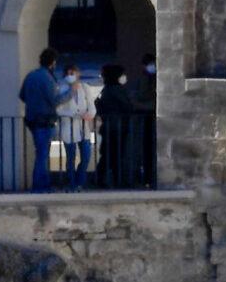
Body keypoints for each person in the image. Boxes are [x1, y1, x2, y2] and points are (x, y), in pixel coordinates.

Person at [18, 48, 63, 192]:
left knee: (41, 152)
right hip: (44, 120)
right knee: (43, 154)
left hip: (32, 119)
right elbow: (55, 100)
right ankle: (40, 186)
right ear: (53, 62)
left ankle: (43, 184)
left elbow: (22, 95)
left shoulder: (31, 75)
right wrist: (71, 91)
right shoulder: (48, 78)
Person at [95, 64, 139, 189]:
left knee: (109, 155)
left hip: (110, 127)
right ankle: (115, 180)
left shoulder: (107, 89)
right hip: (116, 127)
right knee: (115, 155)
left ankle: (106, 179)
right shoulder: (116, 89)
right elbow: (128, 106)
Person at [61, 60, 93, 190]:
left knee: (86, 156)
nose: (70, 75)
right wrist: (73, 114)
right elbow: (58, 108)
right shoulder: (62, 89)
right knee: (70, 158)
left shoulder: (85, 88)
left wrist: (89, 114)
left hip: (83, 128)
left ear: (78, 73)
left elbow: (92, 106)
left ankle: (80, 181)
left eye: (72, 73)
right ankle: (71, 184)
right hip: (68, 128)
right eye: (68, 73)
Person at [135, 50, 159, 190]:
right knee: (147, 150)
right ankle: (148, 178)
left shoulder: (158, 78)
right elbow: (139, 97)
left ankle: (153, 177)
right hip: (146, 117)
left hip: (155, 117)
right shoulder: (143, 79)